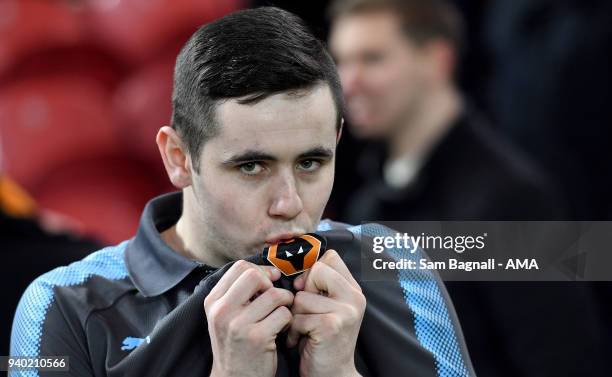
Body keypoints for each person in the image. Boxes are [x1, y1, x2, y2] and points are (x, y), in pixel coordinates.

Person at [10, 7, 475, 377]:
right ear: (177, 157)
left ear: (336, 143)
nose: (289, 203)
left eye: (311, 163)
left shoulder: (395, 266)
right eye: (252, 166)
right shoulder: (63, 306)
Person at [327, 1, 608, 376]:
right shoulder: (371, 199)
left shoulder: (512, 198)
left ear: (436, 60)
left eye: (372, 59)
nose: (348, 83)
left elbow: (567, 360)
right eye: (341, 62)